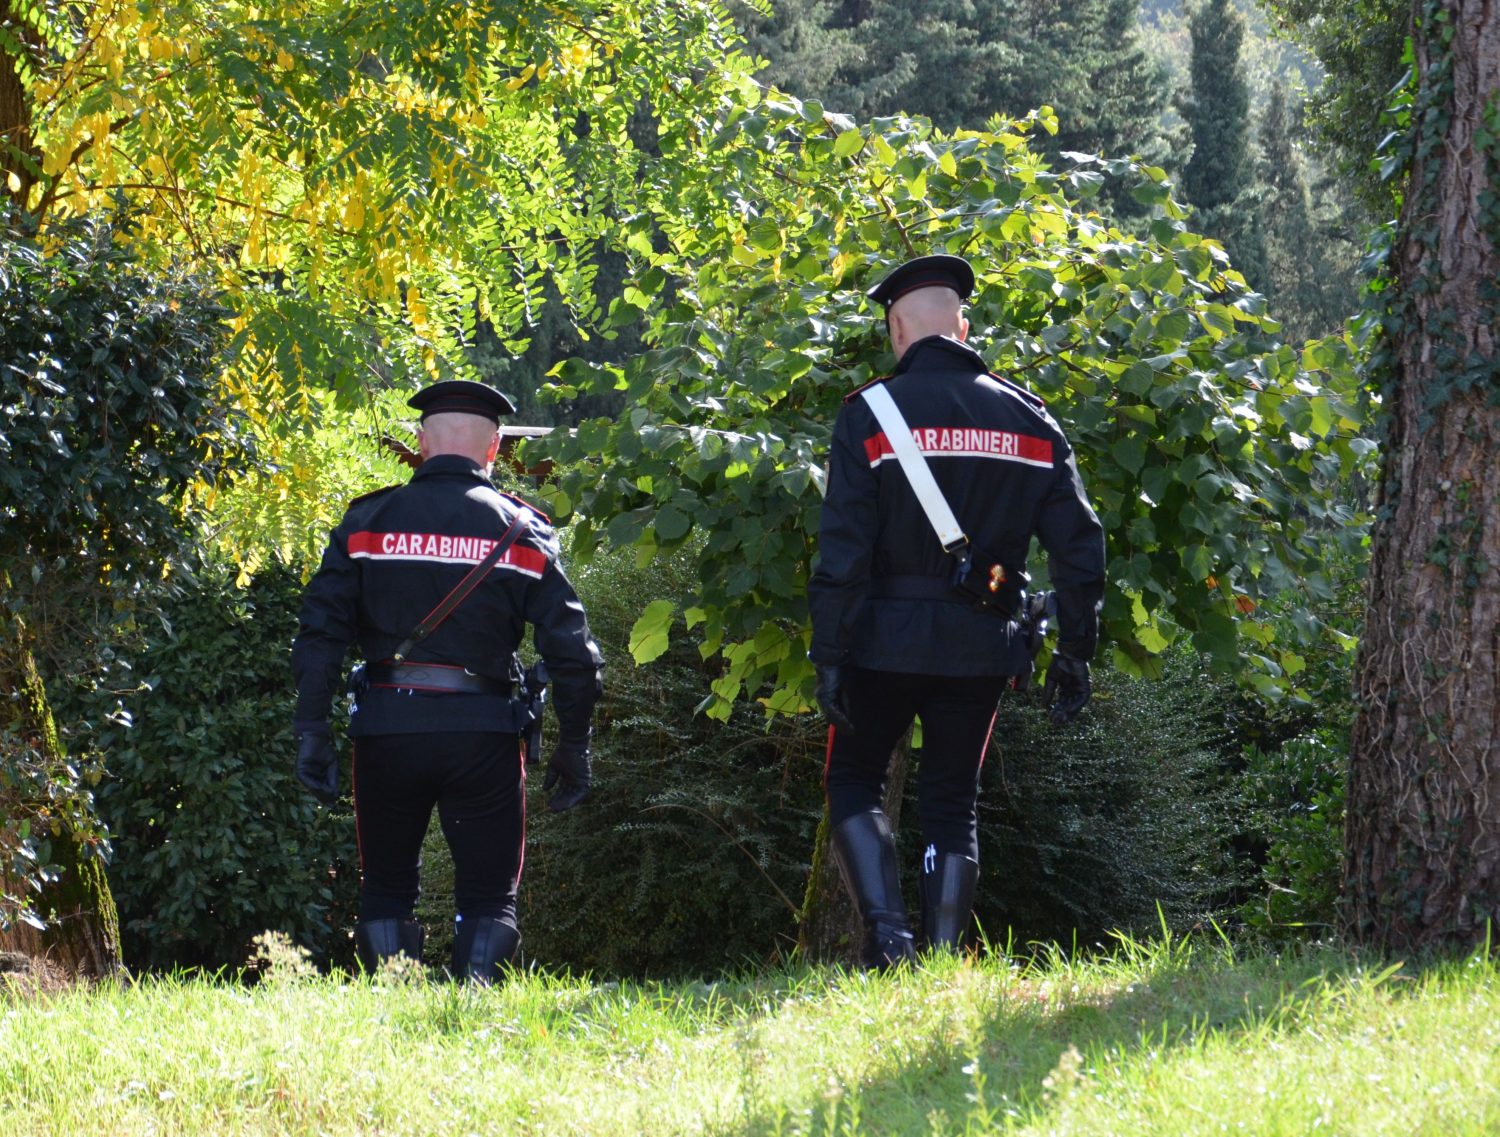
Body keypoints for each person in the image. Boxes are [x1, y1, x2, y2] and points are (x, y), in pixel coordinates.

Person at [807, 253, 1106, 968]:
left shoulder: (869, 414)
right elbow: (1081, 547)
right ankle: (941, 957)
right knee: (952, 799)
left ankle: (889, 941)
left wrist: (830, 654)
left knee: (853, 780)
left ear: (897, 330)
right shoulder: (1030, 419)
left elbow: (843, 553)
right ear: (962, 328)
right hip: (981, 644)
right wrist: (1075, 650)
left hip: (880, 643)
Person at [291, 379, 604, 981]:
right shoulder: (523, 529)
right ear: (494, 449)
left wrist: (311, 730)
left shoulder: (367, 522)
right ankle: (474, 1011)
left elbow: (319, 636)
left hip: (387, 728)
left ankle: (395, 1005)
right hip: (482, 735)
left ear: (421, 442)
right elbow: (573, 652)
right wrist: (575, 744)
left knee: (386, 887)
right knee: (489, 895)